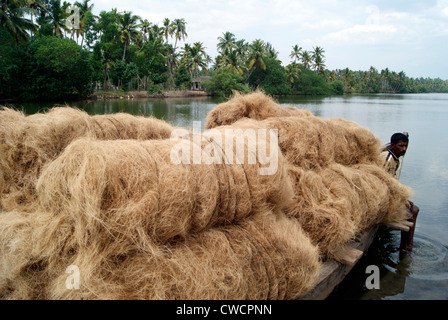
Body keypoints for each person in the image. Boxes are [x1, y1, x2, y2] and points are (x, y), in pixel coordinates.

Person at [379, 132, 419, 252]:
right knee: (410, 214)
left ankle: (409, 245)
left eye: (405, 146)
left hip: (391, 195)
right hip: (383, 198)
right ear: (392, 145)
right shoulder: (387, 158)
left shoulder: (395, 157)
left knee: (414, 210)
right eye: (401, 146)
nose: (404, 149)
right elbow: (379, 180)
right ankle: (404, 247)